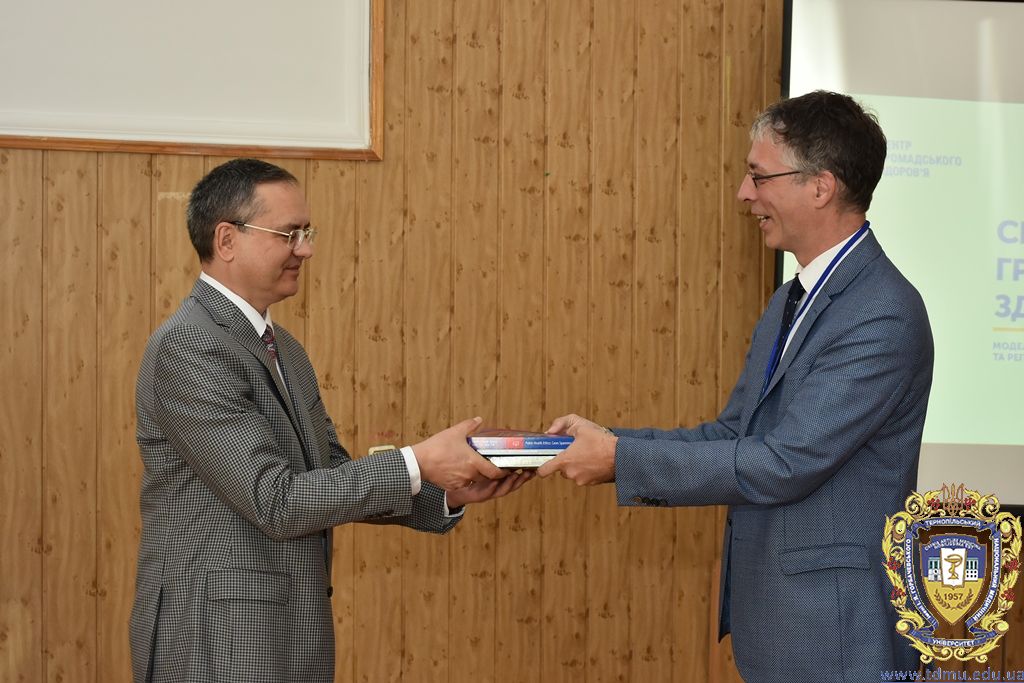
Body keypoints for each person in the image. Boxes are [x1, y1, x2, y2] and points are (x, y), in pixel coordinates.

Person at [538, 90, 933, 682]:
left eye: (759, 176)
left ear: (820, 187)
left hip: (837, 634)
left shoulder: (881, 313)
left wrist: (620, 460)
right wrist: (608, 441)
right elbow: (733, 435)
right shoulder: (792, 298)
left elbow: (785, 463)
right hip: (783, 625)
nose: (744, 194)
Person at [129, 158, 529, 683]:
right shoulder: (189, 347)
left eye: (308, 232)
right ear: (227, 240)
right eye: (289, 234)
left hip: (290, 633)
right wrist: (417, 462)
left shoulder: (284, 349)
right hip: (216, 640)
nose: (306, 249)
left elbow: (328, 475)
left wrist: (444, 490)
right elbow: (274, 500)